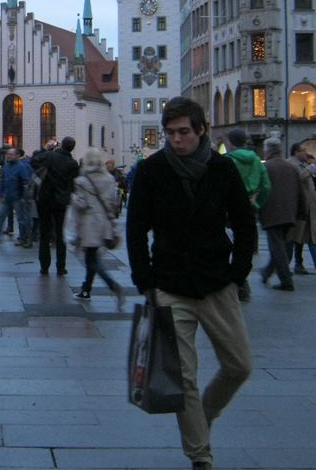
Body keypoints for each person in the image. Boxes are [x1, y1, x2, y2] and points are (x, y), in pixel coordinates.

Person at [126, 97, 255, 470]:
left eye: (184, 132)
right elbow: (136, 228)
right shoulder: (153, 170)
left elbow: (244, 223)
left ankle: (202, 416)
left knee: (239, 365)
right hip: (169, 283)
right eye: (170, 133)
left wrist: (238, 272)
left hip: (217, 282)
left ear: (201, 131)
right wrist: (144, 279)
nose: (177, 139)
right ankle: (201, 455)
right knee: (184, 376)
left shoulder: (222, 169)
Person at [72, 148, 125, 309]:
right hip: (104, 223)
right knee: (92, 258)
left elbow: (82, 204)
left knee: (92, 260)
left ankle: (112, 285)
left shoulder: (82, 181)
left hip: (89, 223)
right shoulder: (109, 179)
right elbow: (112, 203)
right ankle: (85, 289)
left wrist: (72, 198)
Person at [224, 128, 272, 302]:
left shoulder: (227, 160)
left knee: (227, 244)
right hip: (249, 206)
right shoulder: (257, 161)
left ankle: (236, 282)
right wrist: (258, 203)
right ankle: (242, 281)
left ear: (230, 143)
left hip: (229, 208)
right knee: (244, 245)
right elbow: (266, 186)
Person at [258, 139, 303, 291]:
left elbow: (261, 190)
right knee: (280, 245)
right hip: (290, 212)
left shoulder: (265, 167)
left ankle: (286, 281)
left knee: (277, 247)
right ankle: (267, 272)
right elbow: (300, 191)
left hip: (272, 212)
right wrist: (301, 212)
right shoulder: (291, 167)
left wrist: (257, 208)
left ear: (268, 150)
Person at [31, 136, 80, 275]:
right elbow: (74, 182)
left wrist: (46, 148)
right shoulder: (73, 163)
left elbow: (34, 161)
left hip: (45, 199)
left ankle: (44, 266)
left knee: (44, 233)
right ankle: (61, 267)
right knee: (60, 234)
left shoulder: (50, 156)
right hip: (62, 201)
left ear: (62, 145)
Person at [288, 144, 316, 278]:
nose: (306, 154)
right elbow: (300, 177)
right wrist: (312, 167)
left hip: (310, 208)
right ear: (296, 152)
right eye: (303, 151)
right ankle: (281, 266)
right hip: (300, 210)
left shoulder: (302, 164)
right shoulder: (291, 164)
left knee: (314, 237)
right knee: (291, 239)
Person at [0, 147, 32, 245]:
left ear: (17, 156)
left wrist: (24, 197)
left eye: (11, 154)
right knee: (0, 216)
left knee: (21, 219)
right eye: (8, 154)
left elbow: (26, 183)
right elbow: (3, 182)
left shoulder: (21, 167)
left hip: (18, 197)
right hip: (8, 196)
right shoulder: (6, 167)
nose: (8, 156)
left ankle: (23, 238)